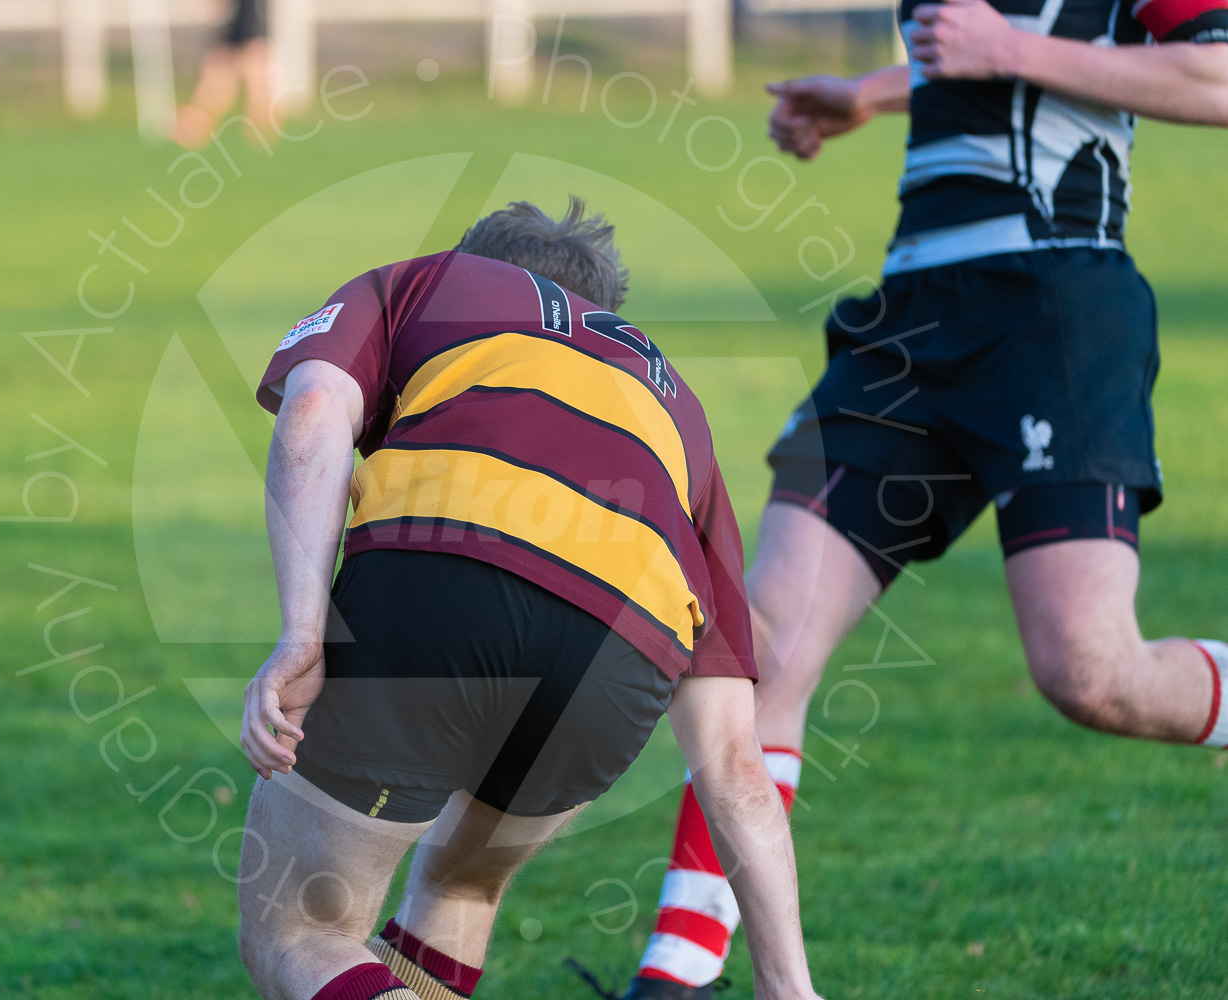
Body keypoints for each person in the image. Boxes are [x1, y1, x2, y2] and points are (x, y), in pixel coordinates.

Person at [604, 0, 1228, 996]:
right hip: (910, 319)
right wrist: (872, 92)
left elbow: (1217, 76)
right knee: (760, 638)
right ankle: (680, 974)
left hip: (1055, 306)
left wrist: (1005, 48)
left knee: (1092, 670)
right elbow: (965, 54)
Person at [236, 200, 825, 1000]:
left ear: (479, 260)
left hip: (438, 581)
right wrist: (790, 987)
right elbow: (732, 759)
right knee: (461, 886)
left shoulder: (428, 282)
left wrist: (303, 633)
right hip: (621, 660)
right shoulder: (679, 412)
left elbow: (311, 413)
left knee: (301, 930)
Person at [174, 0, 271, 149]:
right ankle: (195, 126)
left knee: (254, 72)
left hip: (247, 25)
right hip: (238, 26)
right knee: (227, 70)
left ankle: (261, 135)